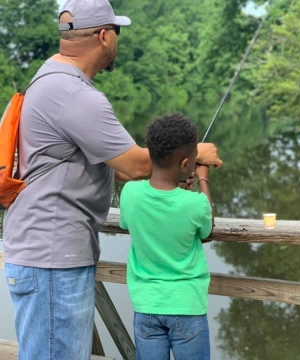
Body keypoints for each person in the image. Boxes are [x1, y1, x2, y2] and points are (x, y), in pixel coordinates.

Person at [2, 0, 222, 359]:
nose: (118, 40)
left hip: (42, 254)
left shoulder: (48, 80)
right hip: (52, 259)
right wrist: (197, 154)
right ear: (104, 36)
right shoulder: (74, 95)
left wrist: (166, 175)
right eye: (117, 32)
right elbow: (136, 166)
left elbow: (116, 166)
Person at [119, 113, 214, 360]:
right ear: (186, 165)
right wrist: (203, 179)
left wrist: (176, 190)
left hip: (145, 306)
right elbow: (206, 228)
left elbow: (126, 222)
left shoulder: (129, 192)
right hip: (187, 306)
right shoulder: (195, 204)